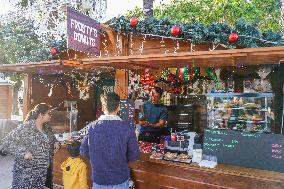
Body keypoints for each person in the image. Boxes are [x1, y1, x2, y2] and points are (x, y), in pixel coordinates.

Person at [80, 92, 140, 189]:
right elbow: (134, 156)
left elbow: (83, 151)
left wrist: (98, 160)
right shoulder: (128, 128)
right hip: (120, 178)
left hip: (99, 178)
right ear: (119, 107)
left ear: (103, 108)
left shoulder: (91, 127)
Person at [0, 103, 60, 189]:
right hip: (27, 176)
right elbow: (6, 143)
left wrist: (56, 142)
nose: (51, 115)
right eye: (49, 113)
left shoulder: (46, 128)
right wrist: (23, 152)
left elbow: (52, 138)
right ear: (41, 115)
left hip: (42, 174)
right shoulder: (26, 128)